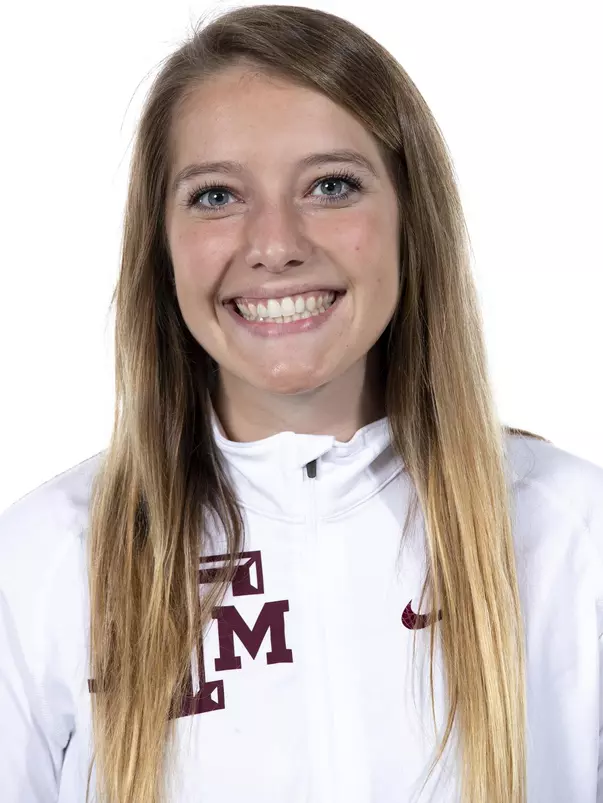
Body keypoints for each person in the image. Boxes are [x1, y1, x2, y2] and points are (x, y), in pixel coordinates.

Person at [0, 4, 602, 803]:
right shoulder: (44, 561)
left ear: (408, 222)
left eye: (330, 185)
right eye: (216, 196)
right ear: (162, 246)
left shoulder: (572, 535)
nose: (275, 241)